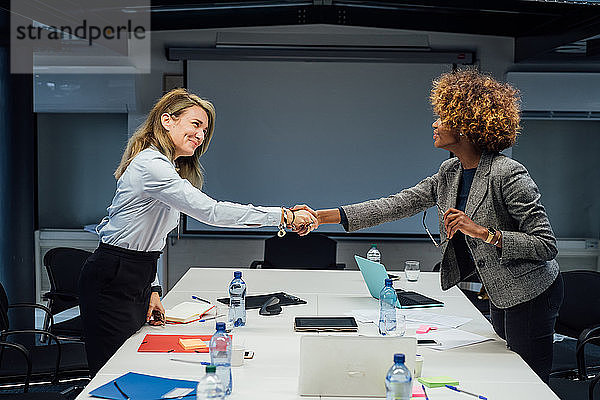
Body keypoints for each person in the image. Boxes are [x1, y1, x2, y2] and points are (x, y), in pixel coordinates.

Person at [300, 69, 563, 383]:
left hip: (531, 291)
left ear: (465, 126)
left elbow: (545, 245)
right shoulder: (450, 171)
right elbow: (396, 204)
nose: (434, 123)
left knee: (529, 379)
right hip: (499, 291)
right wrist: (322, 216)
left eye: (442, 117)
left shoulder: (507, 173)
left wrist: (483, 232)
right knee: (507, 366)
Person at [79, 88, 317, 376]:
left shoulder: (165, 168)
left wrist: (152, 288)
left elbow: (145, 238)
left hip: (133, 274)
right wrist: (283, 216)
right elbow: (212, 213)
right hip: (112, 278)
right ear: (167, 120)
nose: (201, 135)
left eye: (205, 130)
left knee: (133, 362)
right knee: (112, 372)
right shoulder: (151, 166)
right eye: (195, 124)